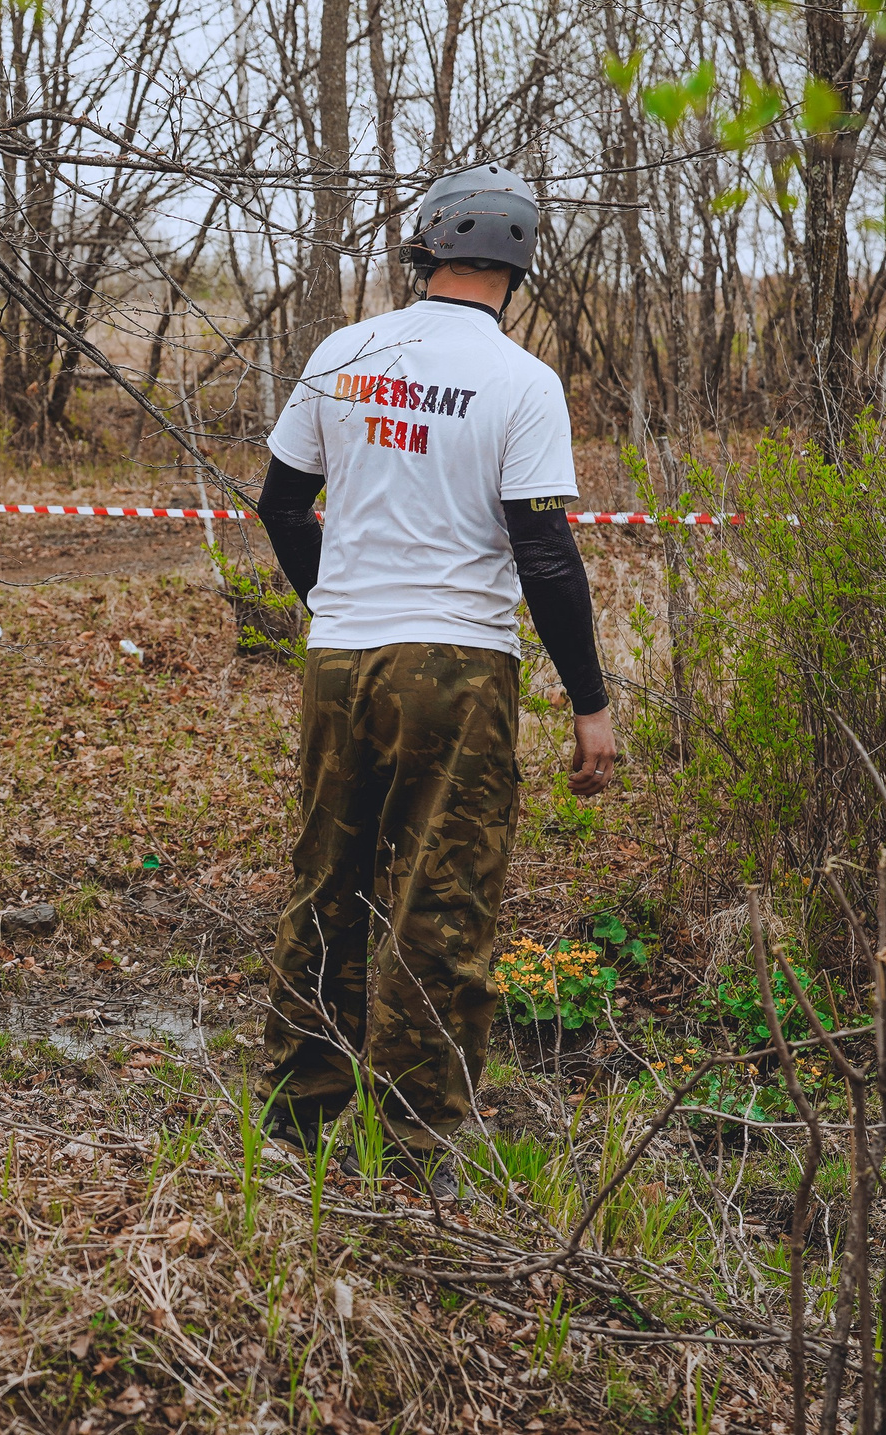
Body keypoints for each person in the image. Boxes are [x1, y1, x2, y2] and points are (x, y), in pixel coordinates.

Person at [253, 165, 618, 1196]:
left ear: (425, 247)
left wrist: (338, 602)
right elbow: (543, 553)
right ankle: (411, 1151)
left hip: (339, 661)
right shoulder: (522, 381)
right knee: (441, 899)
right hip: (457, 667)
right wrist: (589, 702)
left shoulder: (343, 354)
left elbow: (282, 505)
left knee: (326, 881)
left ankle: (295, 1120)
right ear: (519, 266)